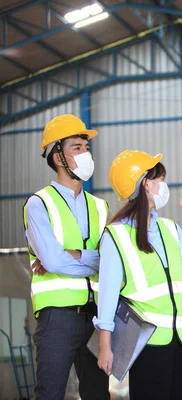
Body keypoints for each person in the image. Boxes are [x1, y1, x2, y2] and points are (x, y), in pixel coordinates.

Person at [94, 150, 182, 400]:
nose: (163, 185)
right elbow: (108, 293)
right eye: (160, 179)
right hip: (148, 343)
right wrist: (105, 346)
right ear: (146, 183)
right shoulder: (116, 235)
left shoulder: (170, 228)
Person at [23, 114, 110, 400]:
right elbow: (54, 261)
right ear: (58, 157)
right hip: (57, 317)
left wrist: (76, 254)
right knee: (50, 393)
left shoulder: (100, 206)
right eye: (77, 148)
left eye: (86, 148)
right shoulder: (39, 204)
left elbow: (113, 261)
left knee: (97, 393)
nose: (86, 154)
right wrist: (92, 259)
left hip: (97, 316)